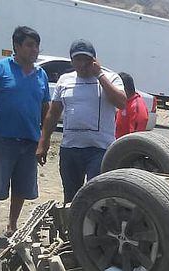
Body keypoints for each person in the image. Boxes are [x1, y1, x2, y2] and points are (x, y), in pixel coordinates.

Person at [0, 25, 49, 242]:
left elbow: (46, 109)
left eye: (36, 46)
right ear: (17, 46)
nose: (34, 50)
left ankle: (12, 224)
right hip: (4, 138)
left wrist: (43, 140)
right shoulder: (1, 69)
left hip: (30, 140)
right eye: (29, 45)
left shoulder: (41, 75)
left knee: (22, 186)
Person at [37, 39, 126, 203]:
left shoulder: (111, 78)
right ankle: (72, 220)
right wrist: (43, 141)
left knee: (96, 196)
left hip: (100, 149)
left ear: (95, 60)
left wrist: (100, 75)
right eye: (78, 59)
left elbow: (121, 102)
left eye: (87, 59)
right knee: (71, 197)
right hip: (70, 148)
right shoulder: (65, 80)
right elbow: (53, 113)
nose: (83, 64)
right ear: (72, 61)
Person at [114, 72, 148, 138]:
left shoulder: (137, 107)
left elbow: (135, 137)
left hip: (125, 144)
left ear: (124, 88)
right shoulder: (124, 101)